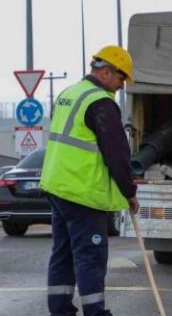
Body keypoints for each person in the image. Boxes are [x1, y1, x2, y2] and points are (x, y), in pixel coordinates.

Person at [40, 45, 140, 316]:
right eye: (121, 79)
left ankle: (60, 311)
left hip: (57, 187)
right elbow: (118, 154)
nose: (121, 86)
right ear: (107, 72)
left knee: (63, 254)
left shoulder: (68, 94)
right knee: (90, 257)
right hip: (82, 192)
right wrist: (129, 191)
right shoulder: (101, 103)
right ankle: (95, 313)